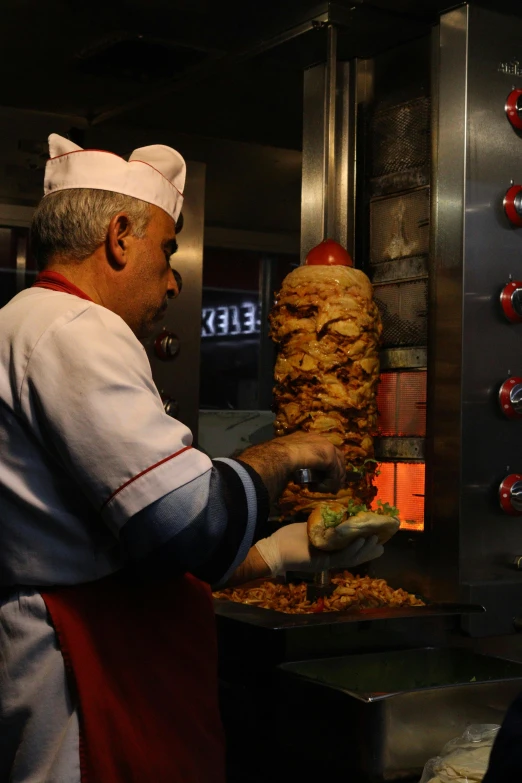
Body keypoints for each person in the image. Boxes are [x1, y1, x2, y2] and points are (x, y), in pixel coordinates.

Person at [0, 134, 384, 783]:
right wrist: (284, 452)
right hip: (87, 690)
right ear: (120, 237)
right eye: (167, 249)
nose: (173, 278)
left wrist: (284, 552)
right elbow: (188, 525)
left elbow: (126, 544)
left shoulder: (25, 322)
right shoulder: (71, 329)